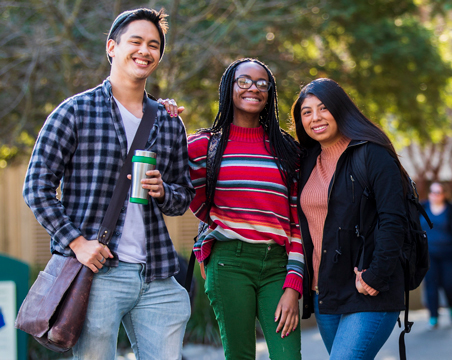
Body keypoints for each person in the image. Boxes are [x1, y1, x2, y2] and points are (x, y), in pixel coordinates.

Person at [23, 8, 194, 360]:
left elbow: (182, 198)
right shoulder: (74, 112)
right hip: (97, 274)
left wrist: (163, 192)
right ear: (112, 47)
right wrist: (77, 242)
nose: (145, 51)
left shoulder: (168, 121)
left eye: (153, 45)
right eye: (136, 41)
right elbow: (36, 187)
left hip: (158, 277)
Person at [188, 58, 304, 360]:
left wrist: (293, 285)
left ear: (270, 92)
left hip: (278, 266)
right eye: (244, 81)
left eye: (262, 83)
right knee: (239, 357)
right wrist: (166, 116)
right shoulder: (204, 145)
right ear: (229, 87)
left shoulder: (286, 150)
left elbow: (297, 223)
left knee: (288, 356)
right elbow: (184, 191)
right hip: (229, 264)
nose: (253, 88)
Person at [293, 78, 408, 359]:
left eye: (323, 108)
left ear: (340, 109)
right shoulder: (306, 160)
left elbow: (394, 219)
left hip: (368, 289)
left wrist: (376, 276)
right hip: (325, 294)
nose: (315, 118)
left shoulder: (372, 153)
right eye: (306, 112)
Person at [421, 182, 452, 329]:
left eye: (439, 192)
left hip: (449, 254)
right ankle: (433, 316)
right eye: (433, 192)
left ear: (444, 194)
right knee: (431, 285)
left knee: (450, 285)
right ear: (429, 194)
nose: (435, 195)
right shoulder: (422, 208)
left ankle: (451, 306)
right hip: (429, 255)